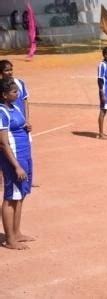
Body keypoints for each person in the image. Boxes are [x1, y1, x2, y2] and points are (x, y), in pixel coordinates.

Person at [0, 78, 35, 250]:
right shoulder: (1, 112)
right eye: (14, 92)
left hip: (24, 154)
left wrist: (27, 126)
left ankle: (17, 232)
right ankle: (9, 239)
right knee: (10, 197)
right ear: (4, 95)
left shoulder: (15, 108)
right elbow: (3, 143)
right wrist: (16, 166)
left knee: (20, 194)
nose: (17, 94)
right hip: (13, 159)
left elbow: (20, 126)